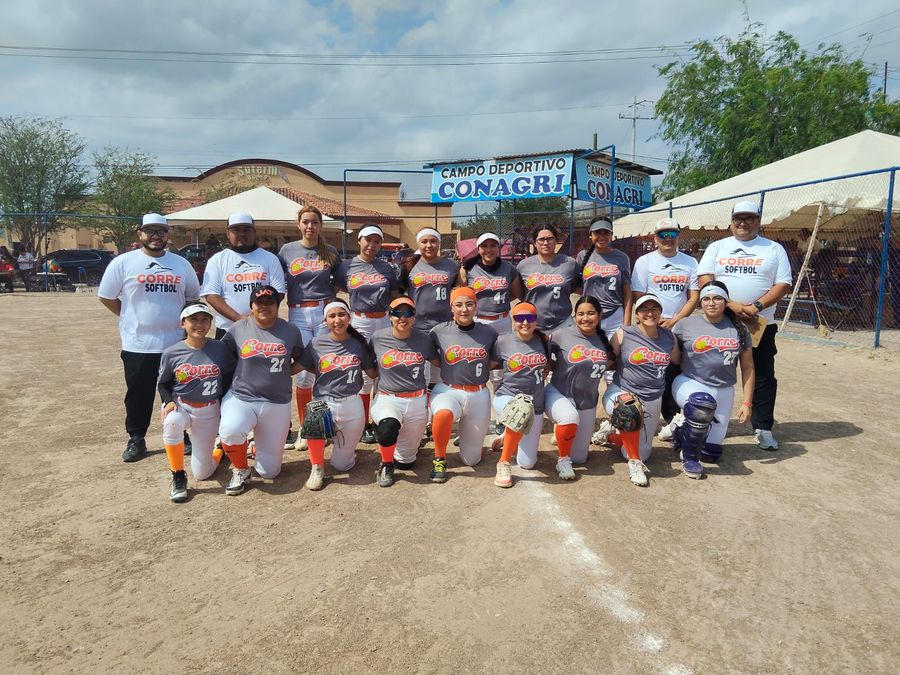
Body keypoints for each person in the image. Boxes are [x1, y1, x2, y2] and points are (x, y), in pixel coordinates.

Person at [98, 214, 201, 462]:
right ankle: (136, 438)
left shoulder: (181, 264)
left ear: (168, 234)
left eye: (161, 231)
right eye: (150, 231)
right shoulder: (123, 263)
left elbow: (192, 299)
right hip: (138, 344)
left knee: (179, 392)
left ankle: (181, 434)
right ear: (140, 234)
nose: (156, 236)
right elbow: (106, 296)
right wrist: (128, 316)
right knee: (138, 394)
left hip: (175, 343)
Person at [698, 201, 791, 450]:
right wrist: (730, 304)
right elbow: (705, 278)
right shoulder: (717, 247)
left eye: (749, 218)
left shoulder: (774, 249)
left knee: (762, 374)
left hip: (759, 323)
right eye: (738, 218)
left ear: (758, 221)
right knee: (710, 370)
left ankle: (763, 427)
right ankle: (702, 421)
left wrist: (756, 306)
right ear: (731, 222)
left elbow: (783, 284)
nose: (743, 223)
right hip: (722, 320)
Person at [662, 281, 756, 479]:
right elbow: (675, 360)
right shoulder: (685, 324)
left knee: (711, 453)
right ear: (701, 302)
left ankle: (679, 428)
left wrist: (747, 403)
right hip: (690, 382)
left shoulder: (739, 328)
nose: (711, 303)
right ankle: (689, 459)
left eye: (717, 298)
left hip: (724, 390)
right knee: (702, 404)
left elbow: (748, 368)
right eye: (706, 299)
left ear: (726, 301)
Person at [218, 286, 305, 496]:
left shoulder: (290, 330)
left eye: (269, 302)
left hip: (277, 401)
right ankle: (240, 469)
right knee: (230, 430)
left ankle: (255, 446)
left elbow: (301, 358)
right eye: (259, 303)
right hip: (243, 397)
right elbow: (221, 356)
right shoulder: (238, 328)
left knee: (269, 472)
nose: (264, 306)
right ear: (252, 306)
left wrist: (285, 372)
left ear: (277, 305)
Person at [594, 294, 679, 487]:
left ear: (660, 312)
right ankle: (635, 463)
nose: (649, 313)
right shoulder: (624, 333)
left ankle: (610, 433)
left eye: (654, 309)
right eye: (644, 309)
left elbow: (679, 362)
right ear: (637, 314)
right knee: (629, 410)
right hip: (622, 391)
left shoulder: (669, 336)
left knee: (644, 452)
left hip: (653, 397)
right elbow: (607, 361)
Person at [157, 302, 235, 502]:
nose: (199, 324)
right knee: (172, 421)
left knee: (203, 473)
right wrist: (168, 401)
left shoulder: (219, 348)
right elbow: (163, 383)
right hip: (181, 405)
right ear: (182, 323)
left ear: (210, 323)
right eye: (193, 319)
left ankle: (219, 449)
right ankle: (178, 475)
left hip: (209, 409)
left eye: (204, 319)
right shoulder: (172, 352)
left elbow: (230, 376)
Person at [299, 299, 378, 491]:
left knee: (342, 465)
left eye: (341, 314)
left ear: (349, 317)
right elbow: (298, 366)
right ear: (325, 320)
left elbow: (373, 373)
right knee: (315, 417)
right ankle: (317, 466)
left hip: (352, 403)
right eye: (332, 316)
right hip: (324, 401)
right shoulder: (316, 343)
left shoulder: (359, 344)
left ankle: (339, 444)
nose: (337, 320)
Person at [490, 302, 570, 488]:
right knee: (520, 410)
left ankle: (508, 436)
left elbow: (550, 364)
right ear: (513, 320)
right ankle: (503, 463)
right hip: (507, 396)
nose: (525, 322)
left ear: (536, 320)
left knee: (527, 463)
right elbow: (491, 365)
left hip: (536, 403)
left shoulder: (543, 340)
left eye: (530, 318)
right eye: (520, 318)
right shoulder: (503, 341)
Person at [631, 218, 699, 436]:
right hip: (653, 324)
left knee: (674, 371)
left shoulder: (690, 262)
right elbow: (640, 295)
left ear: (678, 236)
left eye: (672, 234)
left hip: (679, 325)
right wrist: (652, 320)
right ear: (655, 238)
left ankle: (672, 419)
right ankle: (643, 415)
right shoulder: (645, 262)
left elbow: (693, 297)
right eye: (663, 234)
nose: (668, 238)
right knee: (649, 369)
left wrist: (675, 320)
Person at [278, 205, 338, 449]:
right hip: (298, 312)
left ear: (320, 225)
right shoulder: (287, 250)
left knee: (324, 369)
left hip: (323, 311)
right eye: (306, 222)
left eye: (314, 222)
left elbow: (339, 279)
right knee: (303, 372)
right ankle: (306, 427)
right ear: (298, 224)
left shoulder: (330, 251)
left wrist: (331, 300)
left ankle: (324, 424)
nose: (310, 226)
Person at [333, 224, 399, 444]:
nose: (372, 244)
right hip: (360, 320)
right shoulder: (347, 266)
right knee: (363, 374)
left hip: (384, 320)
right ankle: (363, 424)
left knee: (383, 369)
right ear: (359, 240)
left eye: (376, 241)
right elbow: (335, 292)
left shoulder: (386, 267)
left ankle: (380, 419)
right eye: (368, 240)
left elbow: (395, 295)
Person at [428, 287, 500, 483]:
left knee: (471, 460)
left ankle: (466, 438)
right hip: (448, 390)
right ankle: (439, 458)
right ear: (451, 307)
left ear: (476, 306)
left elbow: (496, 360)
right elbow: (429, 355)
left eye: (469, 304)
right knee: (443, 413)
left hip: (479, 394)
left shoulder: (489, 332)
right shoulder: (439, 331)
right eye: (458, 304)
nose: (464, 309)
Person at [369, 296, 436, 487]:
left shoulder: (424, 339)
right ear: (390, 316)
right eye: (397, 313)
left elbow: (440, 362)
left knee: (406, 463)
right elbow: (366, 363)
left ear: (414, 316)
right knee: (388, 427)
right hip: (388, 397)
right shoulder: (378, 338)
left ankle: (401, 446)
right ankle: (385, 464)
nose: (402, 318)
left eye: (408, 313)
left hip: (416, 401)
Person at [546, 296, 615, 476]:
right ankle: (563, 459)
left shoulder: (604, 340)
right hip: (560, 394)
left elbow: (611, 363)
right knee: (569, 417)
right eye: (580, 314)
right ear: (574, 316)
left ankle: (577, 431)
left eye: (591, 313)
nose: (585, 318)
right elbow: (542, 354)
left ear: (600, 315)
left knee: (580, 458)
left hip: (587, 401)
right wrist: (553, 367)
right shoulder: (561, 335)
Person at [201, 212, 286, 340]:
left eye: (246, 229)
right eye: (236, 229)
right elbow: (212, 296)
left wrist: (256, 317)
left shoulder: (270, 258)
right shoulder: (217, 260)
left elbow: (278, 292)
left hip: (263, 328)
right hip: (228, 330)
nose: (242, 234)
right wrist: (240, 319)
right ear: (227, 233)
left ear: (254, 232)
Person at [517, 224, 581, 332]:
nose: (546, 243)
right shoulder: (524, 265)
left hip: (563, 323)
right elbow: (518, 293)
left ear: (556, 241)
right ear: (534, 242)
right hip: (532, 324)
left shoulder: (569, 263)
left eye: (550, 238)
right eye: (541, 239)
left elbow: (577, 287)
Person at [577, 216, 633, 333]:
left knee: (617, 345)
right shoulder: (582, 256)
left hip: (615, 315)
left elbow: (627, 292)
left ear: (611, 235)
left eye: (606, 233)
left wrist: (627, 323)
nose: (602, 237)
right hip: (589, 316)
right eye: (597, 232)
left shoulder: (622, 257)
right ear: (590, 235)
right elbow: (576, 286)